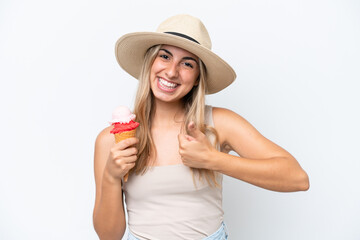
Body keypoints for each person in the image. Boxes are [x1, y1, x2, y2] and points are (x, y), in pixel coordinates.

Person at [92, 14, 309, 240]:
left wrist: (212, 159)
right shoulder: (111, 140)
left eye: (187, 63)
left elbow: (297, 178)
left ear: (197, 78)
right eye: (164, 56)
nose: (172, 71)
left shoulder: (219, 123)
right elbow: (109, 236)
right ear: (149, 62)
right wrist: (110, 175)